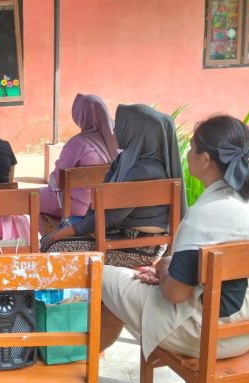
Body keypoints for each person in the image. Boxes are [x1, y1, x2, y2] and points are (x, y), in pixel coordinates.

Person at [100, 114, 249, 360]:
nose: (188, 154)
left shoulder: (206, 214)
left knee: (101, 274)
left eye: (192, 147)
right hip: (243, 333)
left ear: (205, 159)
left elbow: (176, 294)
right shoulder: (242, 201)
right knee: (123, 293)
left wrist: (163, 269)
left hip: (205, 335)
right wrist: (168, 270)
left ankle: (81, 362)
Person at [40, 104, 186, 268]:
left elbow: (111, 217)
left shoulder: (146, 171)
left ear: (134, 131)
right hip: (121, 235)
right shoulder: (126, 159)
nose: (114, 131)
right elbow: (101, 204)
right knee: (55, 237)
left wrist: (62, 233)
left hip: (142, 247)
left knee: (54, 247)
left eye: (120, 126)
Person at [40, 94, 119, 222]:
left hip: (77, 207)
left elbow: (58, 178)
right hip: (107, 206)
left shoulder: (78, 143)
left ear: (80, 116)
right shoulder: (118, 142)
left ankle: (54, 233)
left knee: (31, 199)